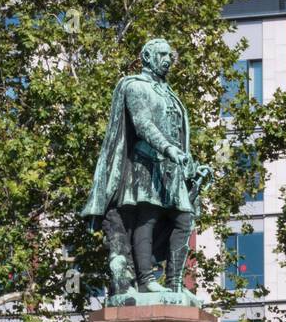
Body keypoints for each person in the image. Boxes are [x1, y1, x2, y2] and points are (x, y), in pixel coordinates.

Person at [81, 37, 211, 297]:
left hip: (173, 169)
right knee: (148, 217)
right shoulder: (135, 86)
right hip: (145, 164)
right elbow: (143, 124)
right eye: (161, 55)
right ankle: (145, 280)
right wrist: (168, 149)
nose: (167, 60)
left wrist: (192, 166)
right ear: (147, 58)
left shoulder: (169, 93)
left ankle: (174, 285)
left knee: (184, 220)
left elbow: (178, 133)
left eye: (169, 56)